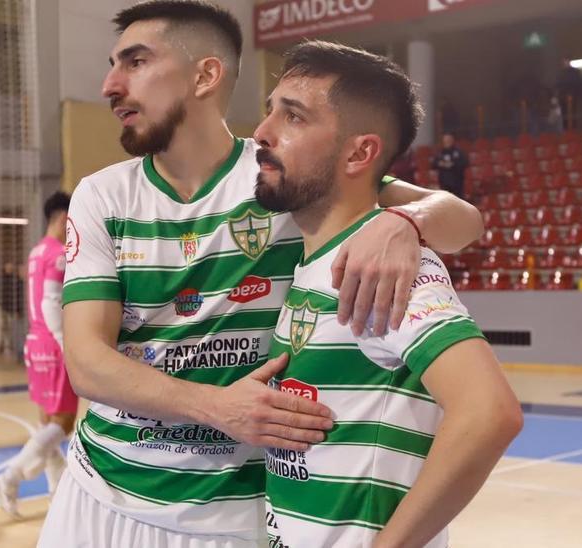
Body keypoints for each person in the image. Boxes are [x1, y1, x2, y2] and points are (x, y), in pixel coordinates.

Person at [39, 2, 482, 546]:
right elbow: (86, 362)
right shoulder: (102, 194)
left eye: (135, 62)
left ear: (205, 75)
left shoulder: (282, 176)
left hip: (233, 515)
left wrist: (404, 223)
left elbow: (463, 219)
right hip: (100, 490)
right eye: (113, 64)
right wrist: (216, 406)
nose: (110, 84)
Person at [252, 40, 524, 547]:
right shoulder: (315, 260)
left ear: (360, 153)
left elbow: (490, 413)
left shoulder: (386, 265)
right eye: (270, 112)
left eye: (292, 118)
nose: (261, 133)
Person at [0, 192, 76, 518]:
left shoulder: (36, 251)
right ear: (63, 216)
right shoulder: (59, 254)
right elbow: (52, 301)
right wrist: (67, 343)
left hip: (35, 342)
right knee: (64, 423)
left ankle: (56, 494)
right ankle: (8, 479)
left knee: (48, 425)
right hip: (54, 343)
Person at [0, 261, 22, 358]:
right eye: (8, 267)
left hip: (11, 307)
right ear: (4, 267)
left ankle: (8, 346)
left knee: (10, 327)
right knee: (1, 325)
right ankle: (0, 344)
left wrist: (18, 309)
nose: (10, 269)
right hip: (0, 306)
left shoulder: (16, 280)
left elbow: (19, 294)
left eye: (11, 267)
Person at [431, 132, 468, 198]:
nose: (447, 141)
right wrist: (440, 164)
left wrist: (452, 164)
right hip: (444, 182)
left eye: (449, 139)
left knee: (458, 201)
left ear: (452, 140)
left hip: (457, 182)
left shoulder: (458, 152)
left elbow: (464, 163)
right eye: (445, 140)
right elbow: (434, 164)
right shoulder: (440, 152)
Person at [556, 58, 582, 129]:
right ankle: (567, 132)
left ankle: (573, 131)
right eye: (564, 61)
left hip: (572, 98)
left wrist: (573, 95)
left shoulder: (574, 73)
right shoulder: (561, 73)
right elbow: (558, 85)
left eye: (566, 61)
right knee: (565, 117)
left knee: (572, 116)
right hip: (563, 99)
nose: (565, 63)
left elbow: (577, 85)